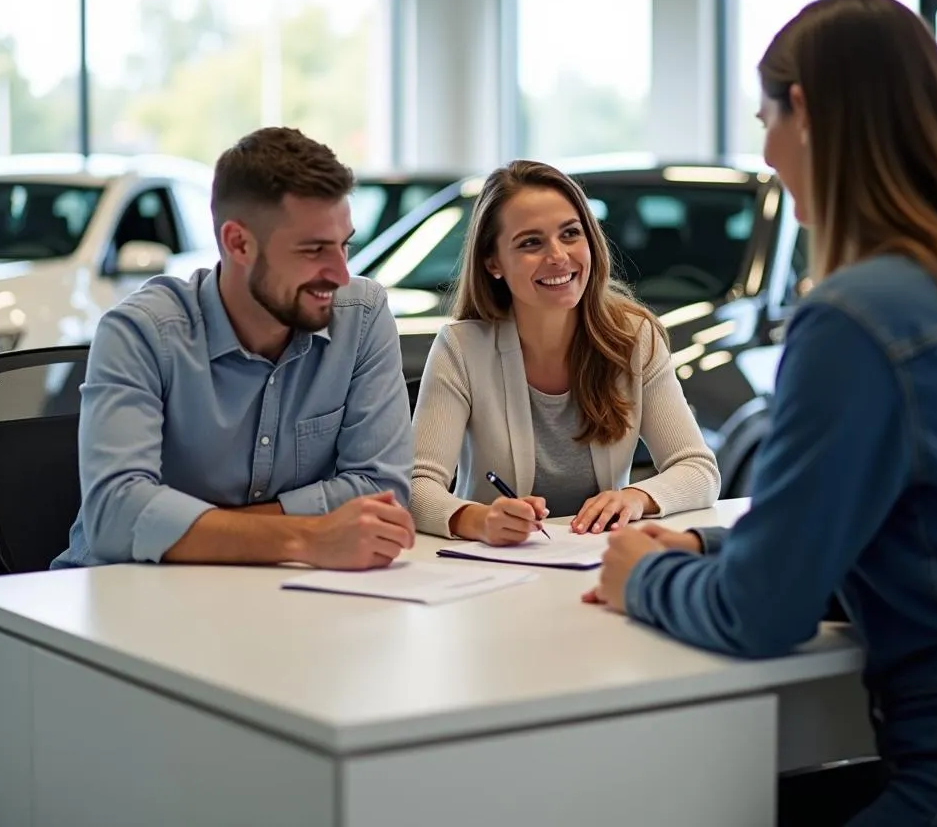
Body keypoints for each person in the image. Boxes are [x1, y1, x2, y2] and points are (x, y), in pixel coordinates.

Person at [587, 0, 937, 825]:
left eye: (765, 120)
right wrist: (712, 543)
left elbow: (758, 615)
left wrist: (646, 575)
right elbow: (929, 528)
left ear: (807, 112)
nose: (770, 152)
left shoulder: (855, 316)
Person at [54, 127, 415, 571]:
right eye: (314, 249)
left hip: (278, 594)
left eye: (344, 245)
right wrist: (307, 537)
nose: (340, 274)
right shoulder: (142, 331)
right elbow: (115, 515)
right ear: (238, 243)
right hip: (127, 595)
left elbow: (383, 492)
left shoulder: (361, 315)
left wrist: (198, 530)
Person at [410, 160, 719, 544]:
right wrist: (478, 519)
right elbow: (417, 484)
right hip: (495, 570)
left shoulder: (634, 339)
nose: (557, 256)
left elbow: (698, 468)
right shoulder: (460, 348)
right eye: (531, 243)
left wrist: (637, 497)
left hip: (595, 561)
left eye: (570, 234)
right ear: (493, 263)